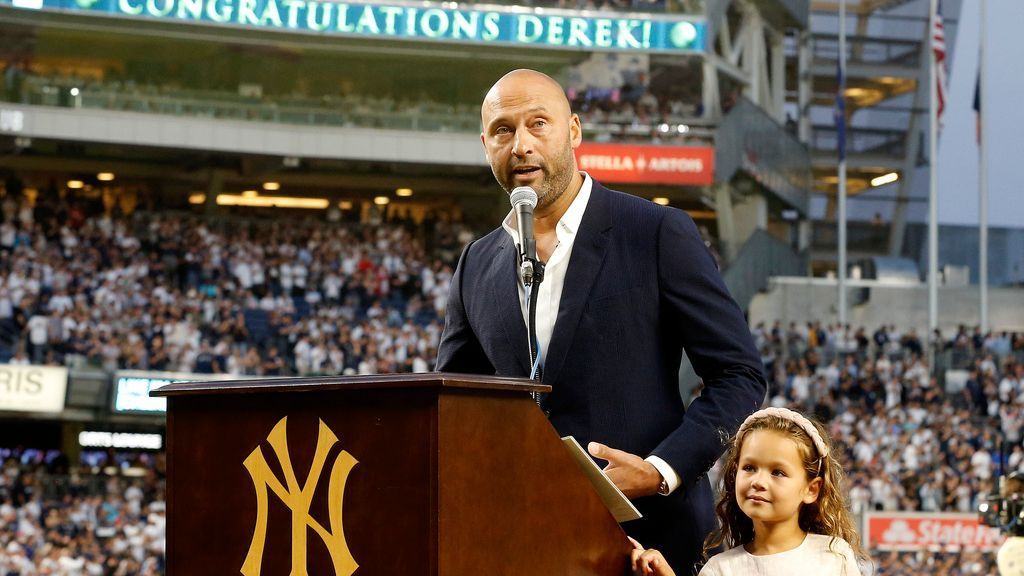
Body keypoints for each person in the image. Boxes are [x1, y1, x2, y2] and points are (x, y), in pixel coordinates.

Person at [435, 68, 766, 573]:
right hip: (519, 541)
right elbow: (457, 407)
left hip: (651, 542)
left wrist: (660, 471)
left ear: (573, 130)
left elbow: (739, 374)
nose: (520, 144)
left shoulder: (655, 232)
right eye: (503, 130)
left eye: (538, 124)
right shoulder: (475, 265)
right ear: (485, 144)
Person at [630, 407, 868, 576]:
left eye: (778, 472)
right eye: (749, 467)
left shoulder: (835, 555)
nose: (758, 481)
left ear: (811, 490)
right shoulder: (720, 569)